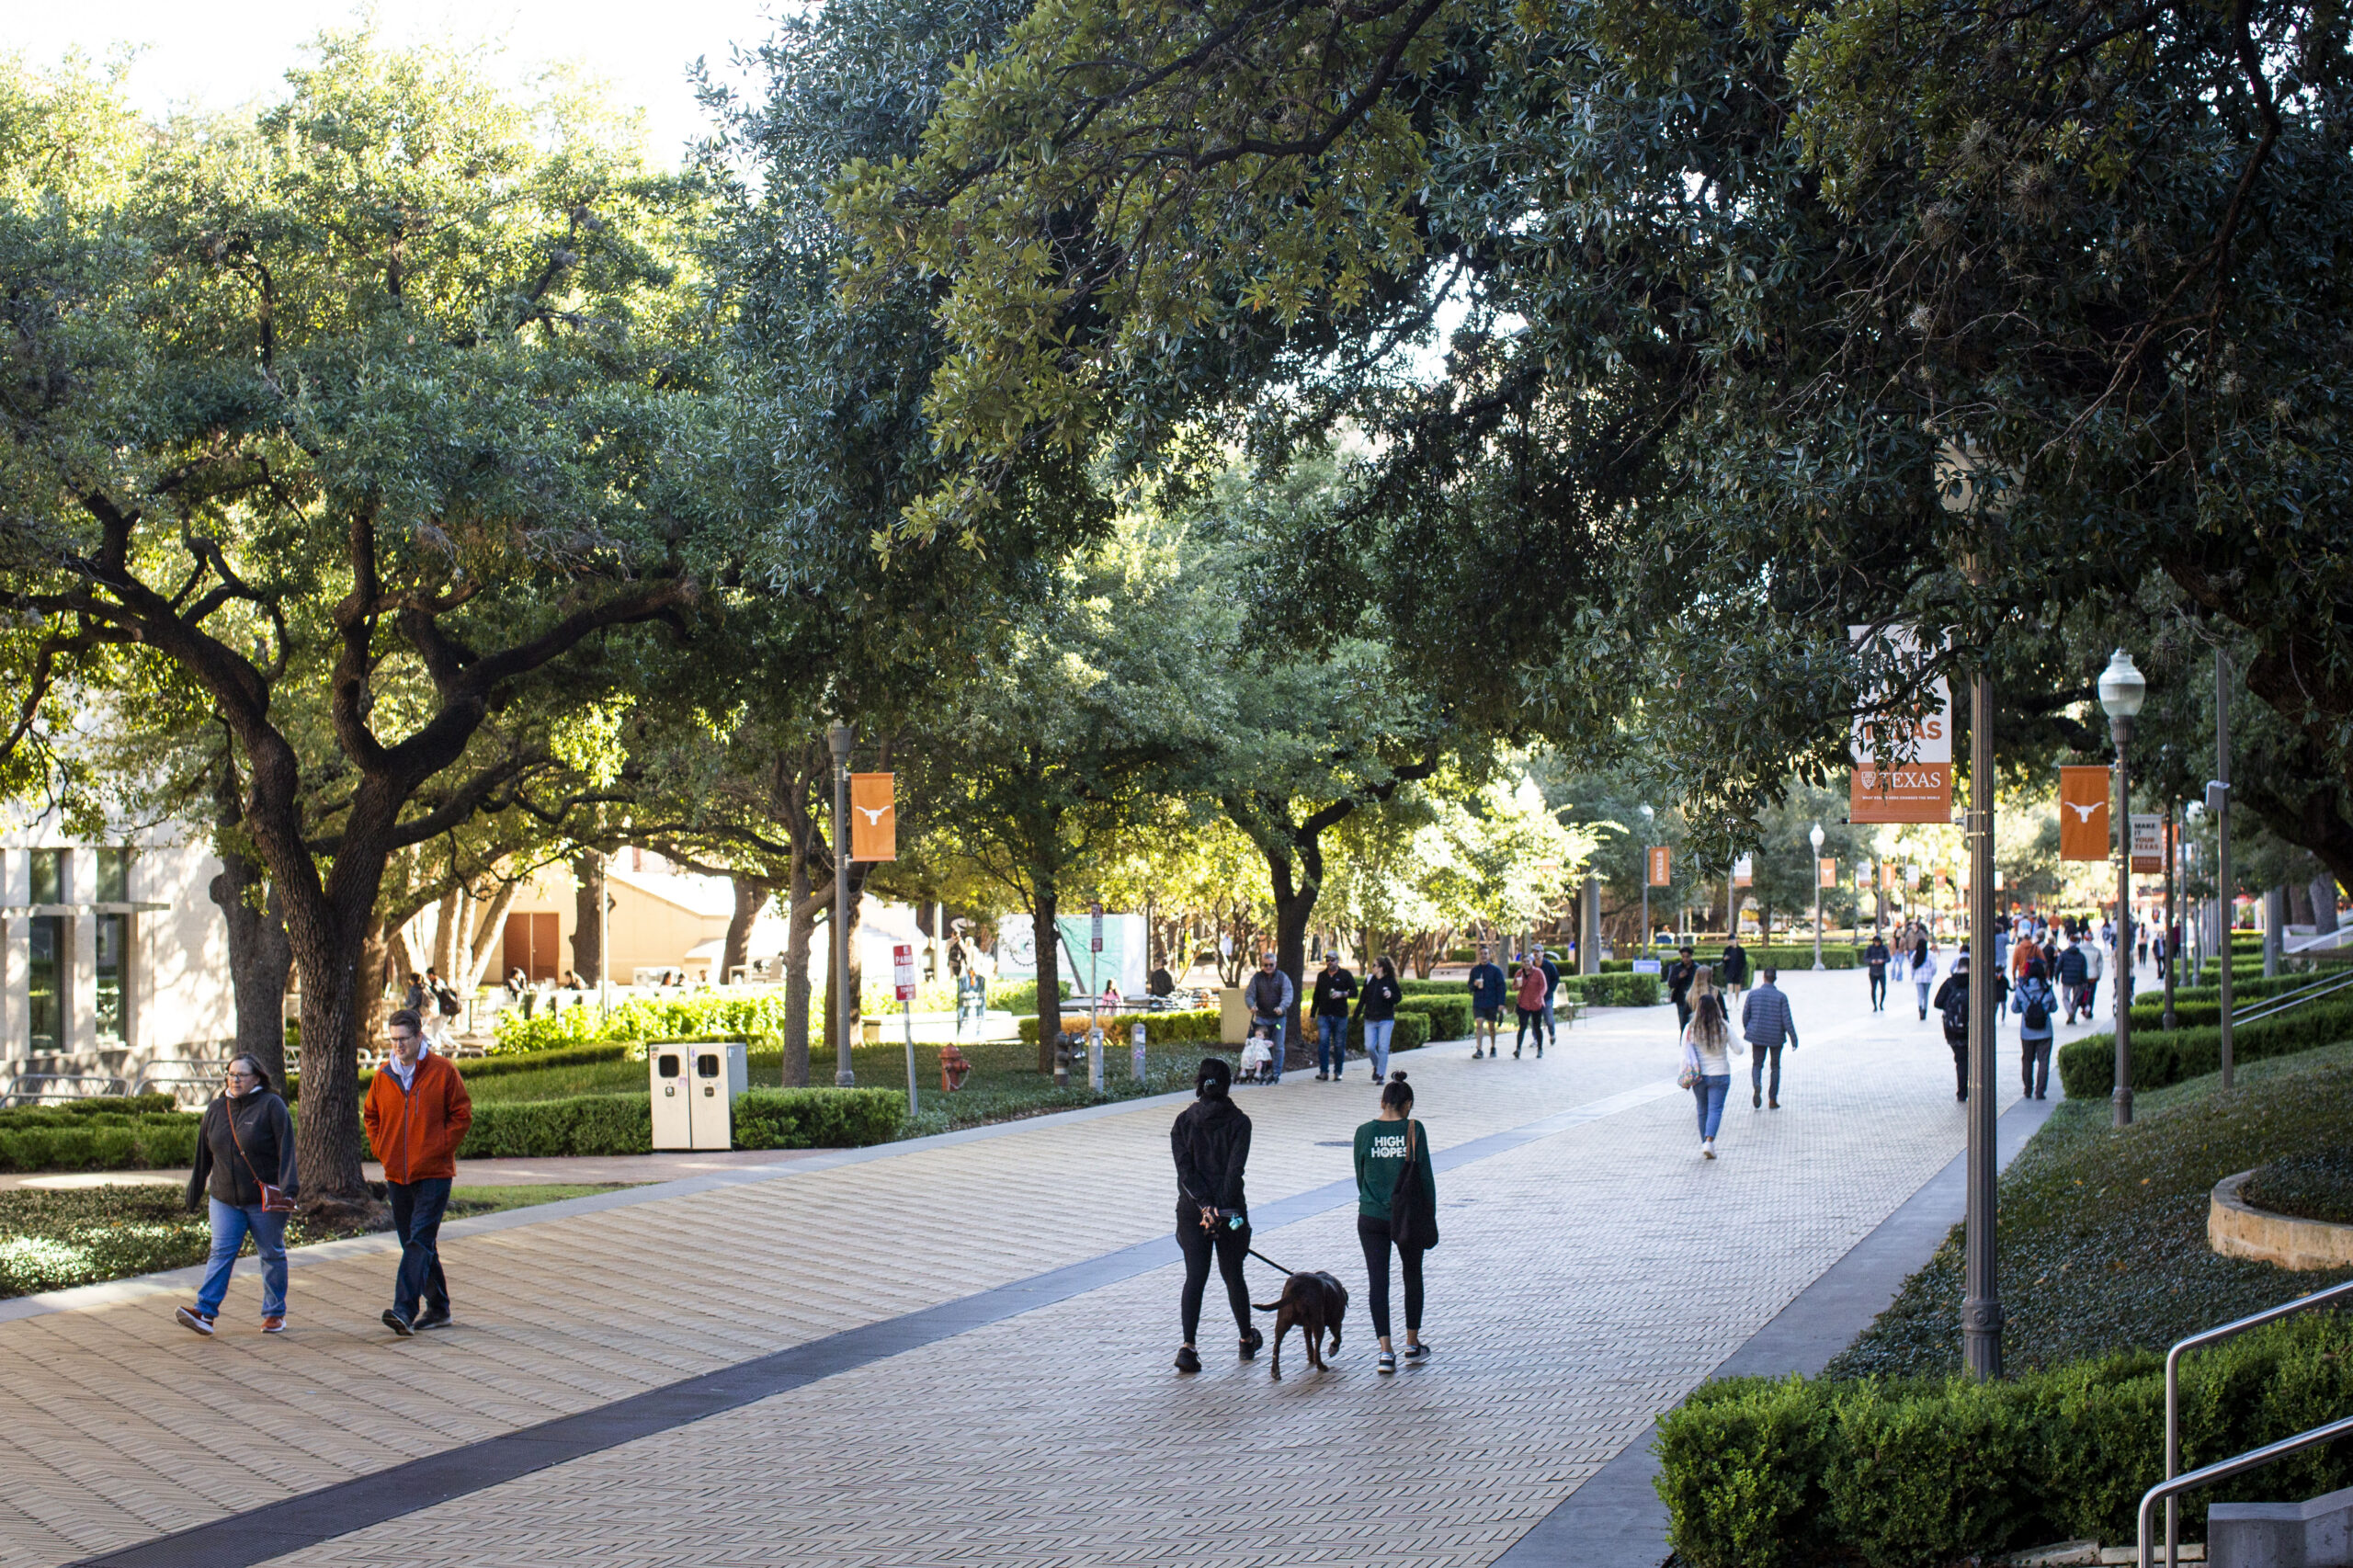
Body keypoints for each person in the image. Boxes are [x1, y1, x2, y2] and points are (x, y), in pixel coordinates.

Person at [364, 1007, 473, 1336]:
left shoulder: (442, 1071)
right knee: (416, 1243)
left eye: (404, 1039)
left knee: (419, 1240)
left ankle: (404, 1310)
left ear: (419, 1036)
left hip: (434, 1173)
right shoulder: (384, 1076)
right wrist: (383, 1149)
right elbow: (371, 1117)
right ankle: (439, 1309)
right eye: (393, 1039)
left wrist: (438, 1148)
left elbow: (462, 1114)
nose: (398, 1045)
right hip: (397, 1174)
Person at [176, 1055, 298, 1337]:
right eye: (231, 1074)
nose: (236, 1080)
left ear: (257, 1078)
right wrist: (194, 1191)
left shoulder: (271, 1105)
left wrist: (289, 1188)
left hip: (262, 1199)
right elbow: (203, 1153)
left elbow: (286, 1148)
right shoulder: (217, 1108)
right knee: (221, 1252)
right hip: (224, 1198)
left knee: (271, 1253)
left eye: (242, 1075)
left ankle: (274, 1313)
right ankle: (205, 1312)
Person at [1171, 1057, 1258, 1372]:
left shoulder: (1182, 1122)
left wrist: (1205, 1207)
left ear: (1200, 1083)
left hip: (1192, 1212)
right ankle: (1246, 1340)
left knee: (1195, 1276)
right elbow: (1235, 1171)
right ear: (1227, 1085)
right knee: (1233, 1274)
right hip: (1231, 1212)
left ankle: (1188, 1347)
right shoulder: (1240, 1123)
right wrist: (1220, 1208)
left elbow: (1185, 1172)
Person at [1355, 1070, 1437, 1372]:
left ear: (1382, 1101)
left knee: (1378, 1281)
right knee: (1412, 1275)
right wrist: (1430, 1215)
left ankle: (1385, 1352)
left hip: (1370, 1215)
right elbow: (1425, 1177)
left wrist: (1374, 1198)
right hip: (1407, 1216)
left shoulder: (1364, 1132)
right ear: (1408, 1104)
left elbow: (1360, 1175)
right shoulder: (1415, 1129)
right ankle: (1412, 1345)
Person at [1682, 972, 1734, 1159]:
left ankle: (1704, 1142)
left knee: (1702, 1109)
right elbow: (1739, 1049)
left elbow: (1684, 1051)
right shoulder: (1723, 1026)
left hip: (1699, 1075)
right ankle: (1709, 1141)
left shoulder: (1690, 1028)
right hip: (1720, 1073)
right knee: (1715, 1109)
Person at [1741, 967, 1799, 1109]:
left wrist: (1750, 1029)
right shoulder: (1781, 997)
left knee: (1757, 1064)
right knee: (1775, 1067)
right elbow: (1787, 1020)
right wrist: (1793, 1038)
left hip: (1757, 1035)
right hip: (1775, 1036)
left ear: (1764, 977)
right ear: (1775, 979)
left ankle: (1757, 1085)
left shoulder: (1753, 994)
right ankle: (1772, 1099)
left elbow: (1745, 1015)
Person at [1243, 950, 1294, 1084]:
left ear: (1275, 964)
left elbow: (1288, 994)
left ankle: (1276, 1072)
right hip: (1261, 1017)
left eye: (1271, 965)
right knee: (1259, 1045)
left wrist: (1282, 1007)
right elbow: (1249, 994)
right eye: (1266, 965)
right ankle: (1259, 1071)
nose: (1268, 967)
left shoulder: (1282, 977)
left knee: (1278, 1045)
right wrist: (1251, 1006)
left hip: (1278, 1019)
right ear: (1262, 965)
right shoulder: (1257, 978)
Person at [1310, 952, 1358, 1081]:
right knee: (1323, 1043)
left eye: (1332, 959)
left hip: (1340, 1015)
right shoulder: (1322, 976)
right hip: (1324, 1014)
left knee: (1339, 1044)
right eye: (1327, 959)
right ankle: (1323, 1071)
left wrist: (1342, 994)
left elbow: (1355, 992)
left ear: (1338, 961)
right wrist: (1312, 1014)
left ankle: (1338, 1072)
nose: (1330, 962)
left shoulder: (1345, 975)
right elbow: (1316, 995)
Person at [1355, 958, 1404, 1082]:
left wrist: (1390, 995)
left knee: (1383, 1048)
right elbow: (1362, 999)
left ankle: (1380, 1074)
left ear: (1381, 968)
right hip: (1370, 1019)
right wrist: (1356, 1014)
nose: (1372, 968)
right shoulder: (1369, 980)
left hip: (1386, 1020)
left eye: (1374, 965)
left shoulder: (1390, 981)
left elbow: (1398, 998)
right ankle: (1377, 1066)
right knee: (1369, 1047)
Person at [2016, 960, 2058, 1099]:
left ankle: (2027, 1089)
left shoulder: (2021, 989)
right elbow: (2054, 1008)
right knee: (2043, 1061)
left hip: (2027, 1032)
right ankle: (2040, 1091)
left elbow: (2014, 1008)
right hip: (2045, 1031)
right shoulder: (2047, 989)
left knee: (2027, 1060)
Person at [1932, 955, 1972, 1099]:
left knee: (1960, 1060)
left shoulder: (1950, 983)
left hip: (1952, 1030)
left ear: (1958, 967)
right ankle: (1976, 1088)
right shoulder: (1974, 982)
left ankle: (1962, 1092)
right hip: (1971, 1028)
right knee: (1974, 1059)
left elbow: (1937, 1003)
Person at [1467, 945, 1506, 1060]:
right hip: (1479, 1002)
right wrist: (1474, 984)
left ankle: (1493, 1047)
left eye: (1485, 953)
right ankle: (1479, 1049)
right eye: (1481, 954)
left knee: (1491, 1026)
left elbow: (1501, 987)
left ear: (1489, 956)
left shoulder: (1496, 970)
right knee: (1479, 1024)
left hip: (1492, 1002)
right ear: (1478, 956)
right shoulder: (1475, 970)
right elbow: (1469, 987)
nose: (1483, 956)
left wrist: (1501, 1003)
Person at [1512, 954, 1549, 1059]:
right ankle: (1518, 1049)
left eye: (1528, 961)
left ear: (1531, 962)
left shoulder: (1538, 972)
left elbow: (1544, 987)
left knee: (1537, 1027)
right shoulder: (1519, 973)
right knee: (1522, 1026)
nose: (1526, 963)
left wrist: (1539, 997)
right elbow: (1513, 987)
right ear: (1522, 963)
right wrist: (1518, 985)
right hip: (1524, 1004)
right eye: (1524, 962)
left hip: (1536, 1004)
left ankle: (1540, 1049)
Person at [2055, 936, 2089, 1025]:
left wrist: (2056, 976)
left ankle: (2070, 1012)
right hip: (2078, 980)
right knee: (2076, 998)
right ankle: (2072, 1015)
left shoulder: (2063, 954)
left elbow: (2058, 966)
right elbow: (2084, 970)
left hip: (2066, 979)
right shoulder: (2081, 956)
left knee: (2065, 997)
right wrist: (2085, 981)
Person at [1665, 946, 1700, 1032]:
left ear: (1691, 956)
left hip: (1693, 999)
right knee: (1683, 1024)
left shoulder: (1697, 968)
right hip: (1681, 999)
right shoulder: (1677, 968)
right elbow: (1671, 984)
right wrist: (1679, 977)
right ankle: (1683, 1038)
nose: (1685, 959)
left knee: (1695, 1023)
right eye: (1683, 957)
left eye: (1687, 957)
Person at [1718, 936, 1750, 1017]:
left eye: (1732, 941)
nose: (1731, 943)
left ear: (1735, 941)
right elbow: (1723, 960)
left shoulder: (1741, 950)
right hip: (1729, 970)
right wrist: (1724, 959)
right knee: (1729, 987)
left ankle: (1737, 1002)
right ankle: (1729, 1003)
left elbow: (1744, 961)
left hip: (1738, 971)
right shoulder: (1727, 950)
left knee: (1737, 987)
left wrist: (1741, 969)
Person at [1539, 949, 1563, 1050]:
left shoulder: (1549, 965)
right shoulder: (1532, 965)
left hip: (1547, 997)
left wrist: (1550, 990)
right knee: (1535, 1019)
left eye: (1538, 951)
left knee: (1549, 1018)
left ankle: (1552, 1034)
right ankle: (1535, 1039)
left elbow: (1556, 978)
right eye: (1534, 952)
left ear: (1542, 953)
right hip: (1535, 998)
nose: (1536, 953)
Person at [1912, 934, 1938, 1020]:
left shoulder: (1915, 954)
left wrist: (1913, 975)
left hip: (1918, 978)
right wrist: (1931, 974)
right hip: (1928, 978)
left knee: (1920, 995)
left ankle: (1920, 1008)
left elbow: (1912, 966)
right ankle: (1924, 1010)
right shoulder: (1930, 954)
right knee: (1926, 995)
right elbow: (1934, 967)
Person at [1864, 932, 1892, 1012]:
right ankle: (1875, 1005)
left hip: (1881, 971)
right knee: (1873, 989)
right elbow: (1865, 958)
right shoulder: (1870, 948)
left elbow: (1888, 959)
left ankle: (1881, 1003)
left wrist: (1882, 961)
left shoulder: (1884, 948)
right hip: (1872, 971)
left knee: (1883, 989)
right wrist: (1871, 961)